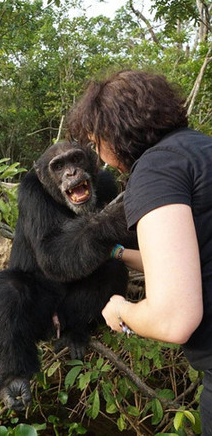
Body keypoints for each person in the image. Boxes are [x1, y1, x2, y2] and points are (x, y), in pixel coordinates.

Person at [66, 69, 212, 435]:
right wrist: (115, 253)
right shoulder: (201, 150)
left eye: (96, 143)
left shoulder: (155, 170)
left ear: (113, 134)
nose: (98, 157)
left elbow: (173, 318)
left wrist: (123, 310)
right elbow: (185, 260)